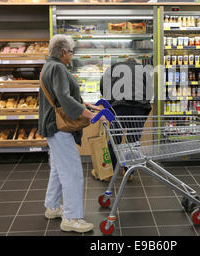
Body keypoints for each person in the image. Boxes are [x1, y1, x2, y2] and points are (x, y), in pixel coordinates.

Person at [38, 34, 100, 233]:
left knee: (57, 167)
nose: (72, 56)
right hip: (59, 128)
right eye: (71, 52)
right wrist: (89, 115)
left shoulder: (48, 65)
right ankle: (72, 218)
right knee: (72, 172)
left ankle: (53, 206)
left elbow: (58, 97)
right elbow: (64, 97)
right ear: (63, 52)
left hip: (50, 125)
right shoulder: (58, 67)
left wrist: (83, 104)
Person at [98, 57, 152, 181]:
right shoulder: (143, 69)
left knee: (115, 139)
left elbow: (102, 85)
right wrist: (143, 103)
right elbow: (150, 91)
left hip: (119, 108)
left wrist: (110, 100)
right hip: (138, 109)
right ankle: (129, 172)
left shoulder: (114, 67)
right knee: (133, 140)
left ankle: (109, 172)